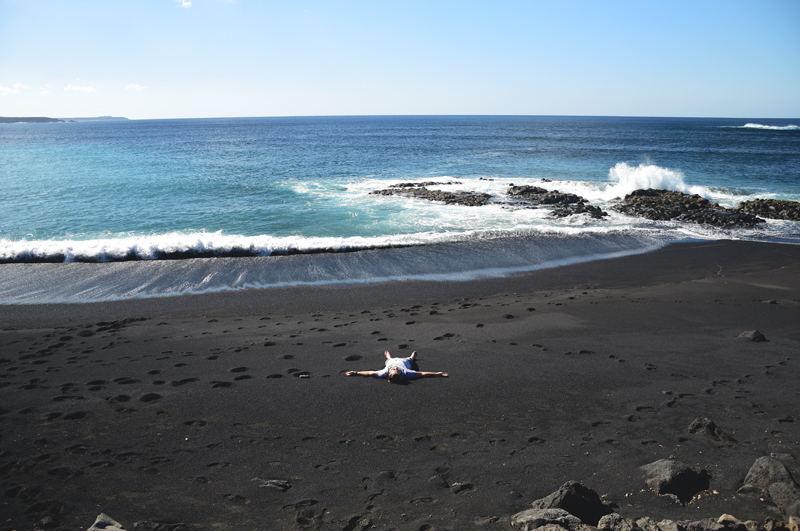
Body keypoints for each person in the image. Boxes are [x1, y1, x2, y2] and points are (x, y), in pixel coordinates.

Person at [346, 350, 449, 383]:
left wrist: (355, 372)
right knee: (410, 360)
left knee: (389, 360)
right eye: (397, 371)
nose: (396, 369)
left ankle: (388, 356)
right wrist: (437, 373)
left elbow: (370, 373)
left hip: (390, 360)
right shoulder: (406, 373)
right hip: (405, 361)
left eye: (394, 370)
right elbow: (421, 374)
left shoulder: (384, 373)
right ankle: (412, 357)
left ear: (389, 374)